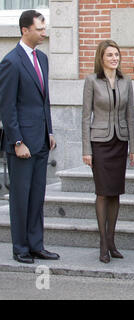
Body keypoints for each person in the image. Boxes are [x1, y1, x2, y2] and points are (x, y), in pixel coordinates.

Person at [0, 10, 59, 264]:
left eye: (44, 28)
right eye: (40, 29)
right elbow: (7, 106)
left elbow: (43, 100)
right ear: (25, 30)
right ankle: (20, 248)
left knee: (37, 196)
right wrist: (17, 141)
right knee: (21, 198)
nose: (44, 33)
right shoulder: (11, 62)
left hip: (42, 141)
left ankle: (37, 245)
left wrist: (50, 131)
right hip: (22, 144)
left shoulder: (43, 59)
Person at [82, 39, 134, 263]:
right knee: (103, 192)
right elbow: (86, 117)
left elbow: (130, 115)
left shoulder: (126, 81)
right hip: (100, 143)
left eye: (117, 54)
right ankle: (103, 243)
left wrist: (133, 146)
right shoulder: (91, 81)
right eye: (110, 55)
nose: (115, 58)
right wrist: (86, 149)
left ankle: (112, 241)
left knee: (115, 192)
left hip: (120, 141)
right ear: (101, 58)